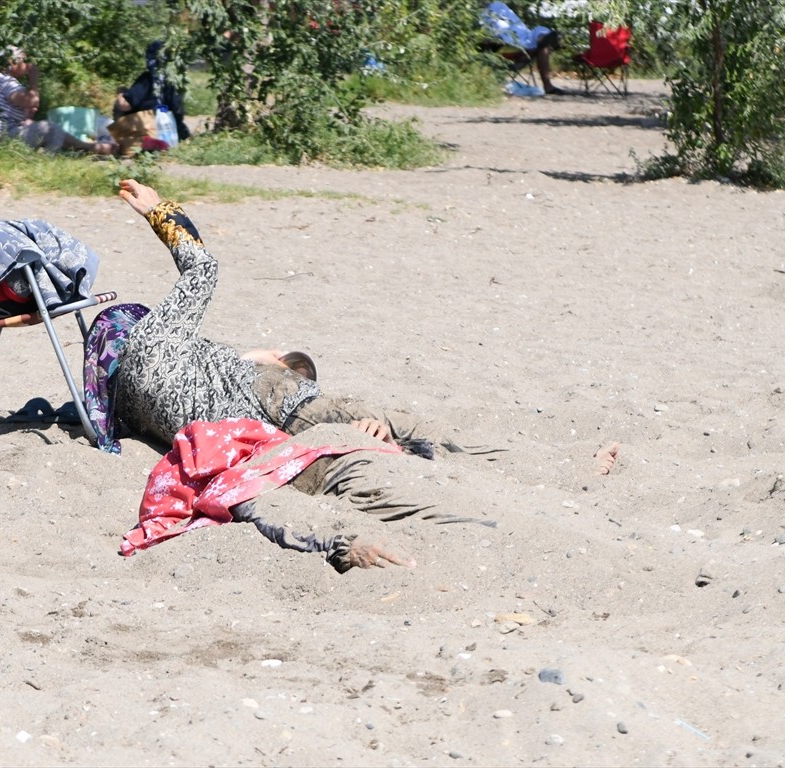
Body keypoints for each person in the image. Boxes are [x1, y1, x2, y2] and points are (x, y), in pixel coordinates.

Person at [110, 179, 501, 571]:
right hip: (274, 397)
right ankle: (483, 464)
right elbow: (203, 269)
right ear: (132, 328)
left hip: (252, 441)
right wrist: (158, 211)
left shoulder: (127, 406)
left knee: (361, 469)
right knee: (395, 425)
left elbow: (201, 384)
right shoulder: (150, 338)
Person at [0, 47, 115, 155]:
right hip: (3, 139)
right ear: (11, 62)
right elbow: (31, 101)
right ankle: (49, 159)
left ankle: (91, 148)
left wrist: (27, 115)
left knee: (40, 126)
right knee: (51, 129)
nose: (27, 65)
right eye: (24, 60)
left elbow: (17, 109)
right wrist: (34, 79)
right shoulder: (6, 80)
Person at [480, 1, 566, 95]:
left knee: (539, 30)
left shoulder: (499, 5)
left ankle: (544, 41)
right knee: (543, 47)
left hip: (525, 38)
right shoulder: (478, 15)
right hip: (509, 45)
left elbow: (518, 26)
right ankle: (548, 85)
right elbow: (485, 38)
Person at [112, 41, 191, 143]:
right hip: (175, 132)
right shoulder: (177, 80)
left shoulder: (147, 79)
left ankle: (120, 138)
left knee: (120, 102)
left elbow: (125, 105)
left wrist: (121, 92)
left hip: (149, 132)